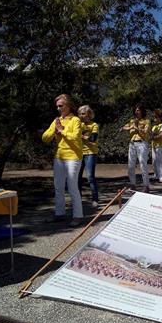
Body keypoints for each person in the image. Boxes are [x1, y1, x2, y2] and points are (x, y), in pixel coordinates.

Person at [42, 94, 84, 227]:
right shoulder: (56, 121)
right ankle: (59, 214)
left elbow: (75, 137)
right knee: (58, 187)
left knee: (72, 187)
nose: (59, 108)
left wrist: (62, 131)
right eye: (57, 106)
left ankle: (78, 216)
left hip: (73, 157)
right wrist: (55, 131)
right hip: (59, 158)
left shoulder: (75, 120)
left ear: (69, 106)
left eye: (61, 106)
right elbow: (44, 138)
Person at [121, 103, 150, 192]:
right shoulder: (132, 121)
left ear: (142, 111)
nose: (137, 112)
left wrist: (136, 128)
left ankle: (146, 185)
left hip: (142, 143)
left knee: (142, 163)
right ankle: (132, 184)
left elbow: (145, 132)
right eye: (135, 110)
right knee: (131, 165)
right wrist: (130, 127)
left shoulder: (146, 121)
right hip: (132, 144)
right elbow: (122, 128)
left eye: (138, 110)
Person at [77, 105, 99, 208]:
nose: (81, 116)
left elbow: (93, 139)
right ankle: (77, 199)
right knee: (77, 177)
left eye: (83, 113)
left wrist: (81, 136)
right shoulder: (78, 124)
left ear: (89, 114)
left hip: (90, 153)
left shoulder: (94, 125)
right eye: (79, 114)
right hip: (79, 153)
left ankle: (95, 199)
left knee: (90, 177)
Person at [150, 109, 162, 183]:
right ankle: (157, 175)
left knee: (161, 161)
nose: (154, 119)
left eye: (156, 117)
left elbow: (161, 135)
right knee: (155, 161)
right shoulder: (155, 126)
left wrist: (153, 136)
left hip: (161, 146)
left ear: (160, 118)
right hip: (154, 146)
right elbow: (152, 135)